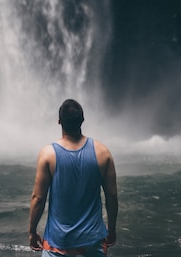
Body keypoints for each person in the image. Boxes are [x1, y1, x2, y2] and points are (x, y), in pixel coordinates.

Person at [29, 99, 118, 256]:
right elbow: (112, 196)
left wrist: (32, 232)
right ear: (82, 120)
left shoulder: (48, 154)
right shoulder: (103, 152)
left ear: (59, 121)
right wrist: (111, 229)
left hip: (57, 243)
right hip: (93, 240)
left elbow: (38, 197)